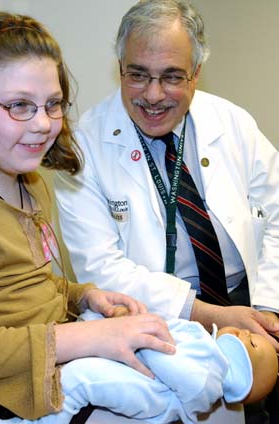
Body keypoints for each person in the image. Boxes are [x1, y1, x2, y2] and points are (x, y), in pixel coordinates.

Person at [54, 0, 279, 423]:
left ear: (196, 73)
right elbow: (102, 268)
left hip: (246, 305)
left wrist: (266, 310)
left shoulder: (232, 123)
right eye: (137, 74)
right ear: (120, 66)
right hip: (153, 322)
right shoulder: (84, 148)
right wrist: (206, 315)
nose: (153, 95)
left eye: (172, 77)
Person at [0, 10, 185, 424]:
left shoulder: (31, 183)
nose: (44, 124)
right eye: (19, 105)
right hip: (2, 393)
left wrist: (82, 295)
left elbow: (27, 284)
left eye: (53, 104)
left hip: (52, 363)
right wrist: (87, 337)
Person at [0, 308, 279, 424]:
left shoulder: (208, 379)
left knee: (80, 380)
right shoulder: (206, 346)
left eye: (251, 343)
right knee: (91, 333)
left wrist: (139, 337)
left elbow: (166, 358)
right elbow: (169, 328)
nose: (245, 332)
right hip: (143, 364)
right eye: (252, 334)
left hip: (147, 389)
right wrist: (134, 321)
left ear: (241, 377)